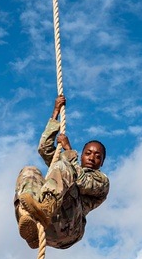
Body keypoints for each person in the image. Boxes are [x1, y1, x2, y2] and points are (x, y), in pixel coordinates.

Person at [14, 95, 109, 250]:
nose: (92, 157)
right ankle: (30, 221)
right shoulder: (67, 167)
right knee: (29, 172)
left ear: (102, 163)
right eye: (88, 153)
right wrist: (55, 112)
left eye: (97, 156)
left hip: (69, 230)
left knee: (63, 165)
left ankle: (45, 208)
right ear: (83, 155)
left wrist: (68, 150)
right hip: (47, 226)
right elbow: (44, 149)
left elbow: (81, 180)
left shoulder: (101, 181)